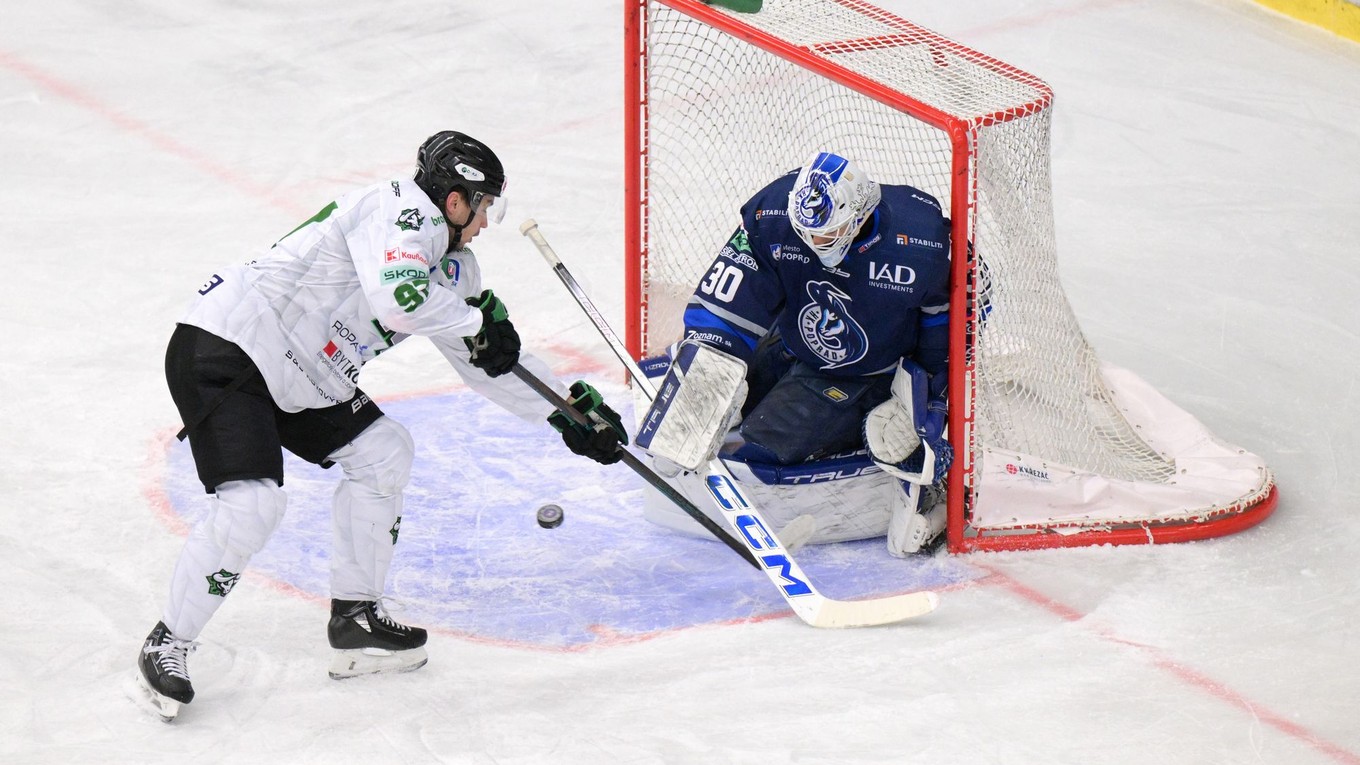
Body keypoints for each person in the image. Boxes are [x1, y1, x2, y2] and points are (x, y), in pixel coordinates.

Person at [137, 131, 627, 719]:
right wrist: (475, 321)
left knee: (384, 453)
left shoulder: (455, 271)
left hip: (305, 375)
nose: (486, 222)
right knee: (252, 507)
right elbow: (401, 301)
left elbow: (484, 364)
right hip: (233, 347)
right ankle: (167, 642)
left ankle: (355, 618)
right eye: (484, 204)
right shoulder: (398, 211)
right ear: (454, 199)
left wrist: (568, 413)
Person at [674, 150, 954, 556]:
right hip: (788, 345)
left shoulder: (922, 242)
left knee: (755, 451)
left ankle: (927, 487)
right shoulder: (774, 214)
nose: (812, 242)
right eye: (806, 231)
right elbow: (733, 296)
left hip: (862, 376)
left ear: (857, 216)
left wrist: (927, 398)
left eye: (824, 233)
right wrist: (709, 361)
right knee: (694, 403)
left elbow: (947, 328)